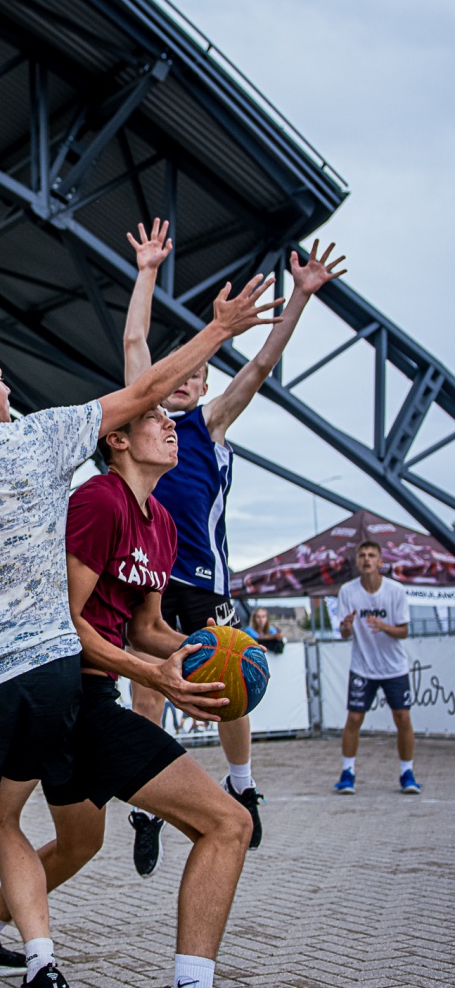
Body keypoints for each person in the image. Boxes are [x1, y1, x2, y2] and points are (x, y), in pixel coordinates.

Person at [0, 233, 281, 988]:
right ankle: (85, 983)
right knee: (62, 828)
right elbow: (145, 383)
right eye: (0, 381)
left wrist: (193, 653)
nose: (10, 390)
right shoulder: (52, 458)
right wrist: (219, 329)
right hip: (58, 682)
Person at [0, 401, 294, 988]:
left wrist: (216, 651)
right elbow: (65, 620)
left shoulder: (161, 521)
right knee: (227, 824)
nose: (172, 426)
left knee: (80, 842)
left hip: (88, 695)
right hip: (69, 697)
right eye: (156, 419)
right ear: (116, 439)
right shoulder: (97, 501)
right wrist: (153, 675)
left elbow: (147, 628)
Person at [123, 227, 346, 869]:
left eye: (198, 374)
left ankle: (242, 785)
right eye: (180, 371)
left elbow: (260, 366)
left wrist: (300, 295)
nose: (187, 380)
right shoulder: (142, 423)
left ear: (204, 387)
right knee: (148, 690)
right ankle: (147, 805)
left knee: (229, 682)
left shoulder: (209, 426)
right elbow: (136, 344)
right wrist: (147, 271)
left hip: (203, 578)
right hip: (149, 575)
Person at [333, 540, 419, 795]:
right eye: (362, 555)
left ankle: (407, 773)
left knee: (403, 718)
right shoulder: (348, 591)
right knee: (354, 718)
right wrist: (347, 626)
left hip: (394, 667)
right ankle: (347, 773)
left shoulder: (395, 590)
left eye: (372, 555)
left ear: (380, 562)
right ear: (357, 562)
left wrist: (383, 627)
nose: (367, 559)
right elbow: (344, 632)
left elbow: (404, 631)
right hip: (363, 666)